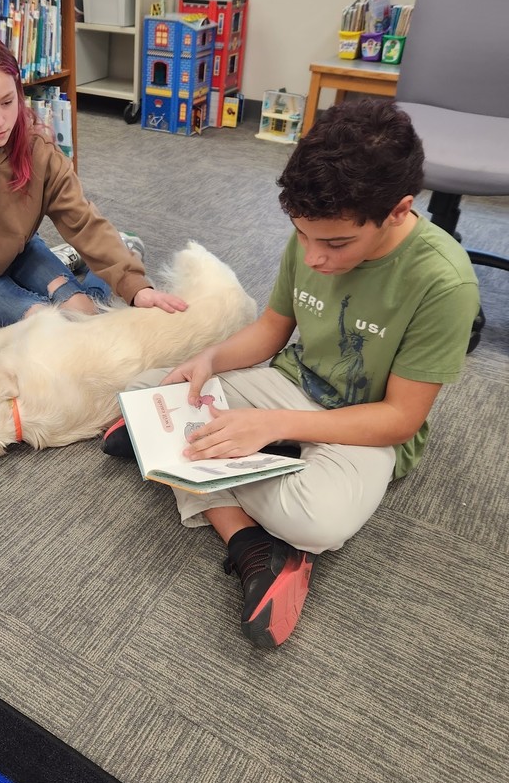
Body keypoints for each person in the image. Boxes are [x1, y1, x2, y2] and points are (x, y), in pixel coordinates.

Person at [103, 99, 480, 649]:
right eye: (302, 236)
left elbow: (399, 419)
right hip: (289, 381)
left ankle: (184, 460)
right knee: (146, 390)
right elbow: (273, 330)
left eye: (336, 243)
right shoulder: (314, 230)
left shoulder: (445, 283)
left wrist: (267, 423)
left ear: (399, 210)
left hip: (361, 426)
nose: (315, 256)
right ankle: (253, 543)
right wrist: (209, 360)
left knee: (317, 521)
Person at [0, 33, 186, 354]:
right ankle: (108, 255)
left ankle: (114, 259)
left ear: (18, 93)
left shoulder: (37, 145)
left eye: (8, 102)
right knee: (48, 327)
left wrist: (135, 287)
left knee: (83, 312)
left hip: (22, 250)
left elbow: (81, 220)